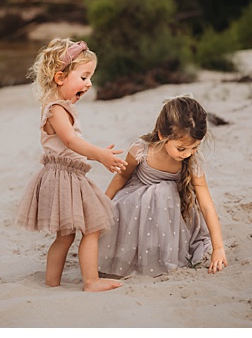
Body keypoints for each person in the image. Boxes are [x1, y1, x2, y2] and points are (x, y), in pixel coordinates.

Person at [16, 38, 126, 291]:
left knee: (66, 236)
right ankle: (91, 281)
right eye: (84, 77)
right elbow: (71, 141)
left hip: (65, 174)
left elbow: (69, 146)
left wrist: (93, 153)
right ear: (60, 78)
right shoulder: (56, 109)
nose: (89, 84)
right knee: (92, 226)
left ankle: (52, 283)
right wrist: (98, 154)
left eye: (90, 78)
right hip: (64, 178)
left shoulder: (57, 107)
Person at [99, 96, 227, 277]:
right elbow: (121, 177)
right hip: (135, 205)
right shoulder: (141, 150)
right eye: (182, 149)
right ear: (162, 135)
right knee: (136, 202)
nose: (188, 154)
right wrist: (103, 204)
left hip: (172, 212)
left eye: (195, 148)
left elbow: (206, 204)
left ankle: (161, 256)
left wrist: (218, 247)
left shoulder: (192, 164)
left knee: (164, 192)